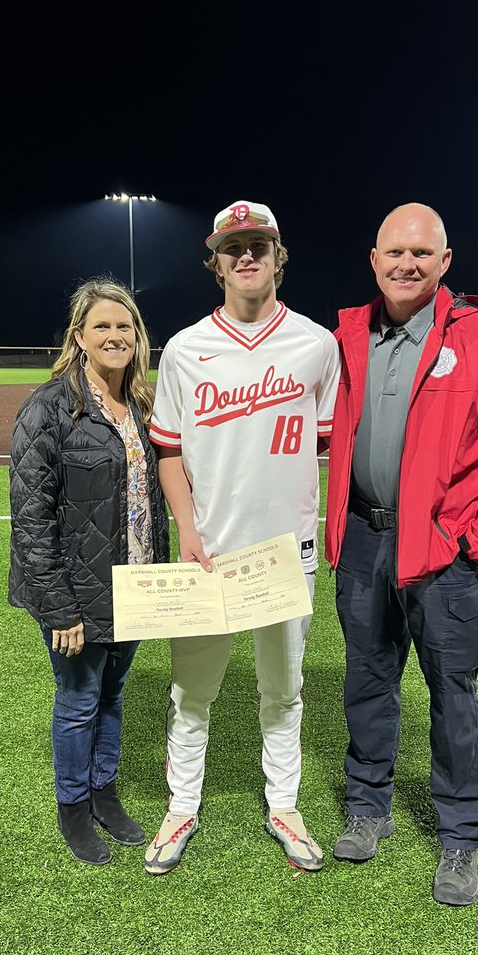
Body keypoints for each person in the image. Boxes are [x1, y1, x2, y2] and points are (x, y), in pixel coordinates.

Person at [324, 203, 478, 905]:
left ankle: (460, 839)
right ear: (374, 259)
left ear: (445, 261)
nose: (407, 264)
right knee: (367, 679)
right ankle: (369, 805)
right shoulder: (348, 335)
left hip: (445, 551)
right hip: (364, 538)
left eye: (422, 253)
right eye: (395, 252)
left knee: (453, 695)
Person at [144, 200, 341, 875]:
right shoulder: (187, 350)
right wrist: (187, 532)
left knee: (282, 693)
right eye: (234, 248)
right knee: (191, 695)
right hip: (210, 555)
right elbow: (168, 452)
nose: (247, 255)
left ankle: (283, 805)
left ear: (279, 258)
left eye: (260, 244)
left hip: (287, 557)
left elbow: (327, 451)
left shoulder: (316, 344)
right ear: (217, 263)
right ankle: (181, 807)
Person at [9, 278, 169, 867]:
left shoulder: (144, 407)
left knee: (113, 695)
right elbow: (30, 516)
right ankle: (73, 808)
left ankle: (105, 793)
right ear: (79, 337)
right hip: (75, 593)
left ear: (137, 338)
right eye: (102, 325)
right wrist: (58, 608)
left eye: (124, 326)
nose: (114, 335)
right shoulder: (49, 408)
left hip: (133, 583)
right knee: (78, 700)